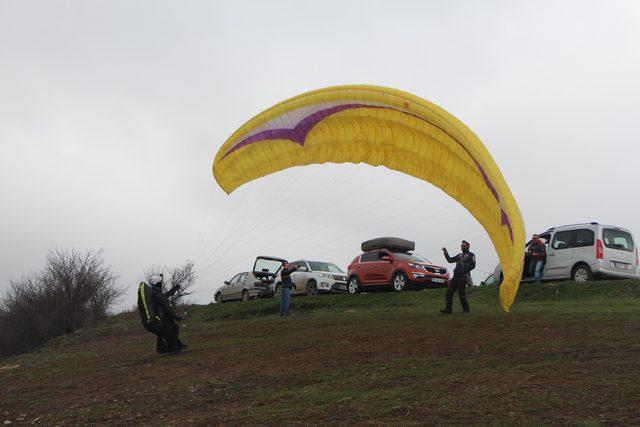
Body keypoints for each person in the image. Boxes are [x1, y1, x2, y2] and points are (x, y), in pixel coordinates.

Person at [137, 274, 186, 355]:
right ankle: (173, 349)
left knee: (164, 332)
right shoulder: (157, 294)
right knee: (173, 329)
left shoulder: (153, 293)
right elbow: (167, 308)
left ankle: (170, 347)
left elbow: (164, 296)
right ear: (158, 283)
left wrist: (173, 289)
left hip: (152, 322)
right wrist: (176, 317)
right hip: (160, 320)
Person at [440, 240, 476, 314]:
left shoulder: (471, 255)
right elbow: (450, 260)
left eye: (464, 246)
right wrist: (445, 253)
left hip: (463, 277)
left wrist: (464, 270)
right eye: (461, 246)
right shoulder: (459, 255)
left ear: (468, 246)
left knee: (461, 294)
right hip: (455, 277)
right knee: (449, 293)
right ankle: (448, 310)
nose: (462, 247)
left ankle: (466, 310)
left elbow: (473, 265)